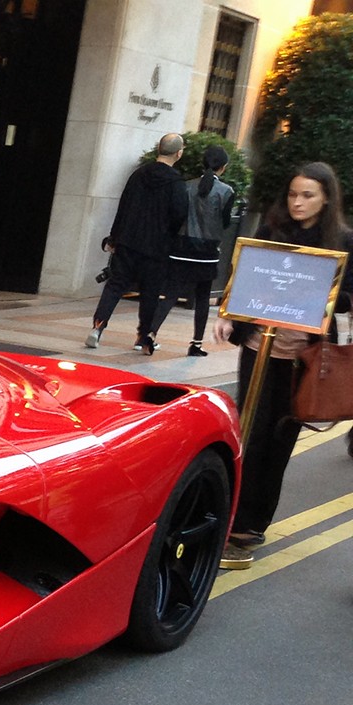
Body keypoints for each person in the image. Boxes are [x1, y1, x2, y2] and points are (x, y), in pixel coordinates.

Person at [213, 161, 353, 568]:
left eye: (308, 195)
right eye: (293, 194)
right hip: (258, 349)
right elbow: (246, 280)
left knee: (277, 440)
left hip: (302, 358)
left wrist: (318, 297)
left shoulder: (343, 240)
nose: (298, 202)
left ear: (326, 197)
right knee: (248, 431)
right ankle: (228, 514)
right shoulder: (271, 230)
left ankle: (251, 525)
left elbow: (348, 300)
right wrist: (229, 316)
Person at [85, 132, 188, 354]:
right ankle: (142, 338)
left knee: (114, 285)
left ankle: (97, 327)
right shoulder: (176, 182)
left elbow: (123, 206)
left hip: (128, 241)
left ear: (159, 149)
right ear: (178, 153)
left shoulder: (138, 175)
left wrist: (114, 237)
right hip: (156, 246)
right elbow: (180, 214)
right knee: (150, 292)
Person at [149, 144, 235, 356]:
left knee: (170, 295)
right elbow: (225, 223)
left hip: (182, 247)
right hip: (207, 251)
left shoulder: (186, 186)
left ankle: (149, 334)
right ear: (223, 167)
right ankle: (196, 344)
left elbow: (176, 215)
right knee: (203, 297)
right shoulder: (226, 192)